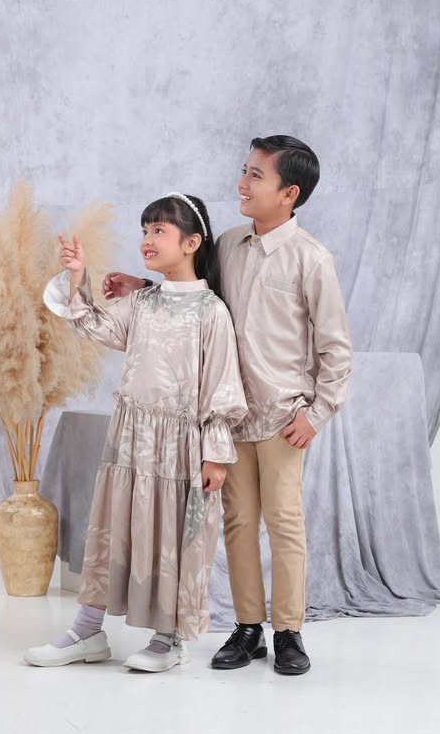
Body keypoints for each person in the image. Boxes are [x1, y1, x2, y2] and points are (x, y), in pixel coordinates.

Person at [103, 137, 352, 675]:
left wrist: (317, 412)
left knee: (284, 522)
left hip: (283, 417)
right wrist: (141, 284)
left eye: (256, 175)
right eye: (245, 171)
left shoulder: (311, 259)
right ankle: (248, 627)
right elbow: (196, 292)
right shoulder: (230, 244)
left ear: (289, 193)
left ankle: (288, 631)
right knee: (237, 522)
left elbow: (336, 348)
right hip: (226, 416)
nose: (242, 183)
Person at [23, 192, 247, 673]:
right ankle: (87, 631)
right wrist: (78, 277)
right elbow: (93, 325)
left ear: (191, 242)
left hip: (181, 450)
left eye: (159, 230)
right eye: (145, 230)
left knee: (172, 537)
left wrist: (215, 454)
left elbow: (222, 387)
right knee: (114, 529)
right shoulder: (141, 302)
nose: (147, 239)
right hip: (130, 441)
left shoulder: (211, 312)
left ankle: (168, 638)